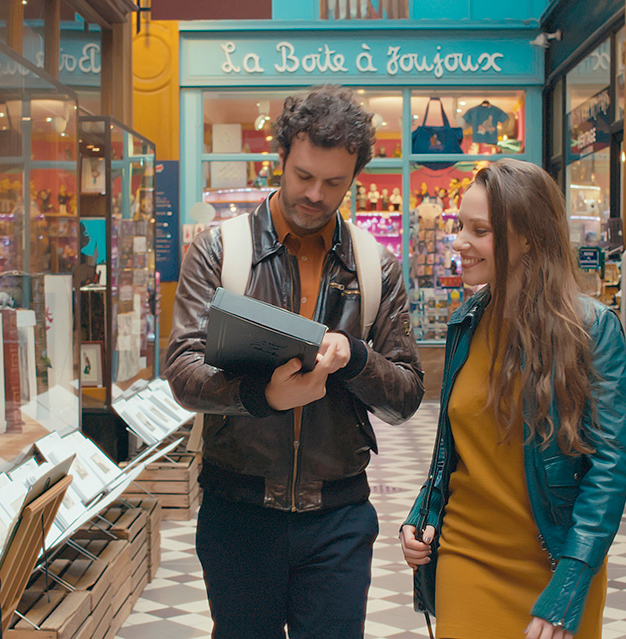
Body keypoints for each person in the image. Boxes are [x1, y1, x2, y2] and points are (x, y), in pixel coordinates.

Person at [166, 85, 425, 639]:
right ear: (280, 158)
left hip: (338, 515)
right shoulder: (220, 251)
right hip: (239, 509)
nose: (315, 193)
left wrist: (356, 357)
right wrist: (262, 396)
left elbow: (406, 397)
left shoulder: (376, 268)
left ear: (354, 177)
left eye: (335, 183)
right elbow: (184, 374)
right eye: (303, 175)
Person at [399, 159, 626, 639]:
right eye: (459, 226)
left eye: (479, 230)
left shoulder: (590, 330)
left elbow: (610, 468)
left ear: (527, 236)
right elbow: (456, 445)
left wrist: (570, 585)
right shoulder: (467, 322)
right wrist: (422, 512)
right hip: (466, 556)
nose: (459, 242)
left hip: (556, 562)